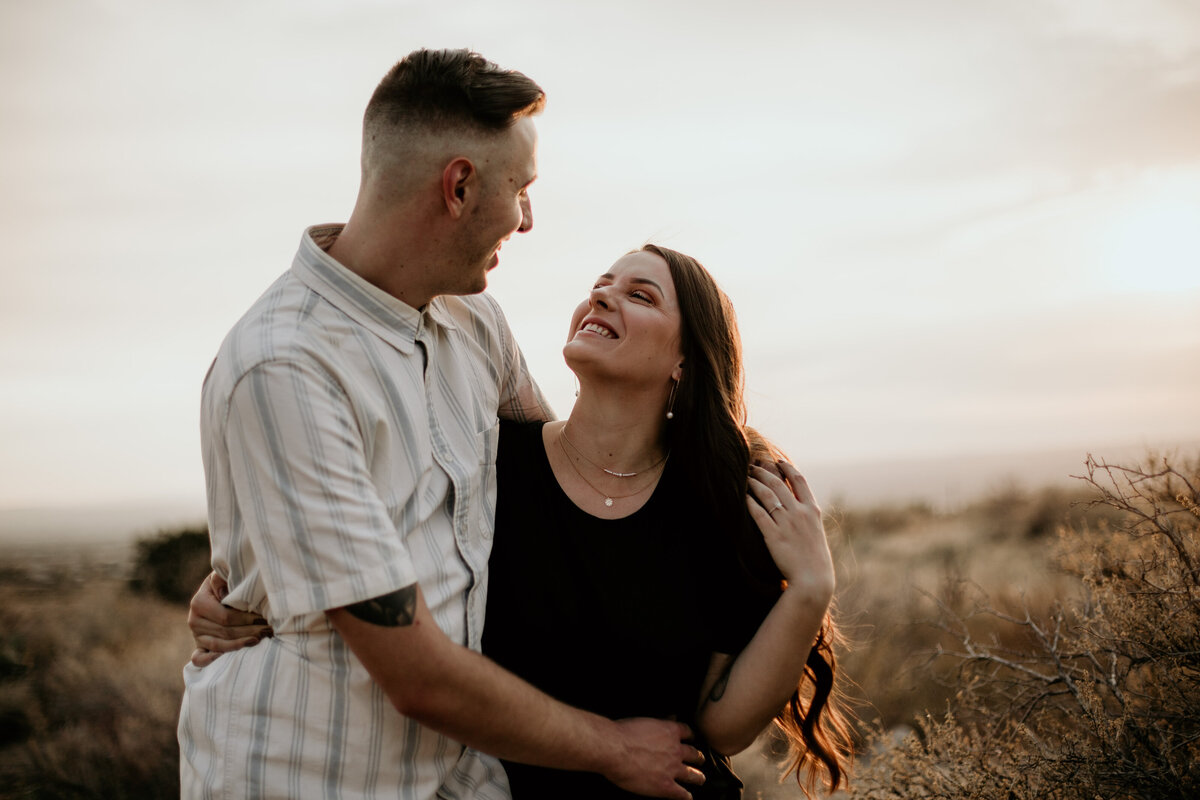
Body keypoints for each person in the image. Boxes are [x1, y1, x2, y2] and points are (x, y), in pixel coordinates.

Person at [178, 48, 707, 800]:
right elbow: (415, 673)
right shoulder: (285, 367)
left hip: (461, 776)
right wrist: (614, 750)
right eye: (520, 190)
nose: (528, 219)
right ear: (458, 186)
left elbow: (565, 487)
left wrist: (755, 496)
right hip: (309, 777)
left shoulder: (474, 324)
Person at [190, 243, 855, 798]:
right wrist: (248, 596)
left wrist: (812, 590)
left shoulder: (716, 504)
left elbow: (720, 726)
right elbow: (354, 557)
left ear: (685, 361)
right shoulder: (486, 466)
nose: (601, 297)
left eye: (640, 295)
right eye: (600, 285)